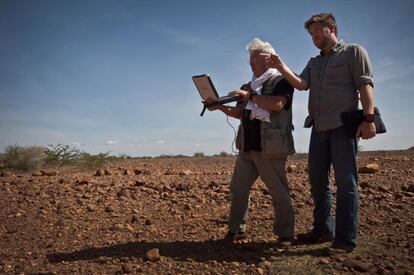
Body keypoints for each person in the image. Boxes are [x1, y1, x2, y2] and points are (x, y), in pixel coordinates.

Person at [265, 12, 376, 254]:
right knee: (317, 182)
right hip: (319, 128)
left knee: (346, 183)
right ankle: (323, 230)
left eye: (317, 31)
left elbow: (365, 85)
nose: (314, 37)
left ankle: (345, 240)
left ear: (331, 28)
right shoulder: (314, 62)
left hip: (342, 128)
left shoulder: (354, 52)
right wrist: (280, 65)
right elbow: (301, 84)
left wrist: (368, 119)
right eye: (311, 34)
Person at [208, 38, 296, 246]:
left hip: (270, 147)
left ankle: (286, 234)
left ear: (267, 59)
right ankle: (236, 230)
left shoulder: (281, 80)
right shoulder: (248, 86)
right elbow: (240, 113)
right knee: (238, 188)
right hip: (247, 146)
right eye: (250, 59)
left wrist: (250, 96)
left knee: (278, 191)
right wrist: (218, 106)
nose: (250, 63)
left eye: (254, 59)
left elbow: (276, 104)